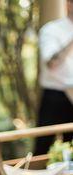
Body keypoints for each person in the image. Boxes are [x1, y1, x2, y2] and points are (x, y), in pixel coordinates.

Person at [35, 0, 73, 155]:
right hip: (55, 96)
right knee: (43, 147)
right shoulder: (51, 29)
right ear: (69, 4)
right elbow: (51, 62)